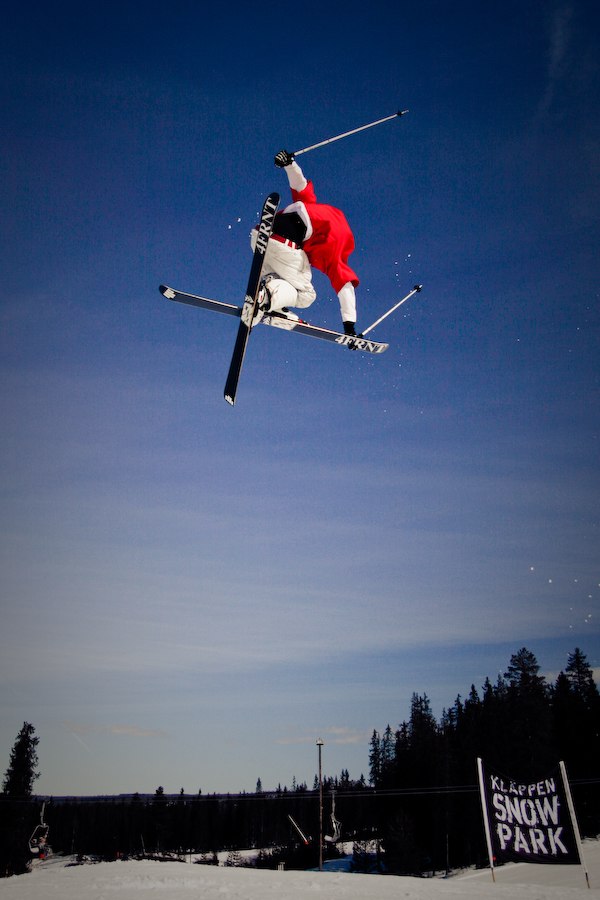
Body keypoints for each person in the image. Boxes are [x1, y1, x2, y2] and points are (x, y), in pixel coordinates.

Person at [250, 150, 359, 336]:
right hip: (284, 245)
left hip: (259, 236)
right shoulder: (335, 252)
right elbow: (345, 286)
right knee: (307, 295)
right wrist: (349, 326)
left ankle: (273, 304)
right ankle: (267, 296)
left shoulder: (313, 207)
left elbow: (300, 184)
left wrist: (289, 163)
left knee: (284, 276)